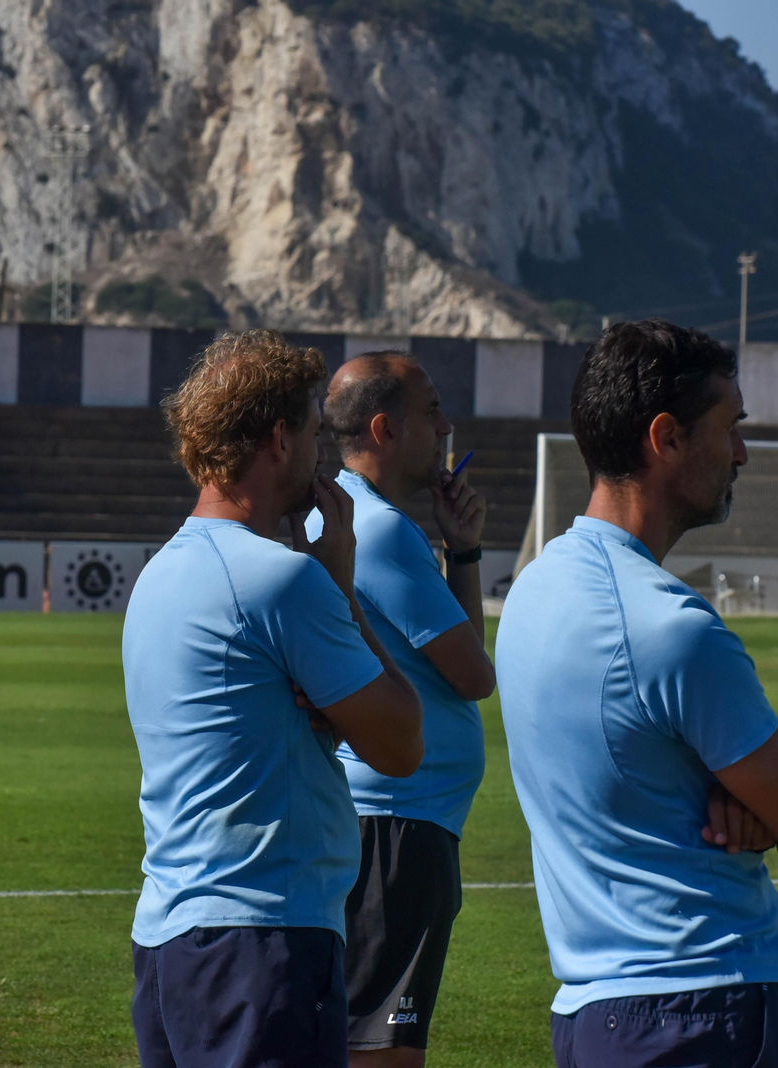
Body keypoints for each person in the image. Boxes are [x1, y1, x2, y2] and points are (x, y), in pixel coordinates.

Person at [495, 320, 778, 1068]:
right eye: (730, 428)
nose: (741, 453)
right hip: (698, 1012)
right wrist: (768, 814)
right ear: (666, 437)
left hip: (589, 1016)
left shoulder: (534, 589)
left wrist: (748, 805)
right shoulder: (670, 628)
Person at [123, 330, 424, 1068]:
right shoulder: (282, 581)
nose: (323, 457)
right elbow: (400, 744)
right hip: (262, 941)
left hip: (168, 940)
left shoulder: (158, 575)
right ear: (280, 439)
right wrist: (341, 585)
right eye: (315, 435)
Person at [306, 353, 495, 1066]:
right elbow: (474, 675)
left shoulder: (357, 517)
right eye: (433, 411)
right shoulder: (380, 531)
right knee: (381, 1051)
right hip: (396, 827)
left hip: (392, 820)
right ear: (386, 429)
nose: (447, 428)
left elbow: (460, 659)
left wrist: (463, 552)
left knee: (362, 1039)